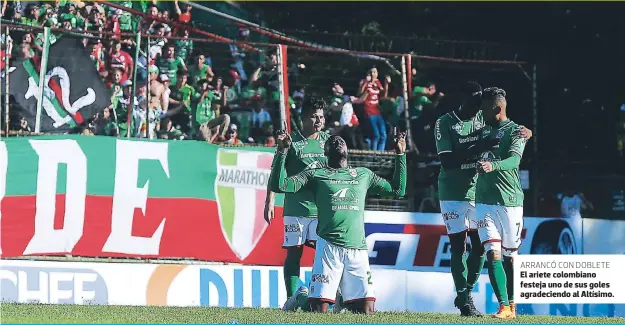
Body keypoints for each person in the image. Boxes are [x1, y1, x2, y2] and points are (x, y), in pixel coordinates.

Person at [269, 131, 406, 315]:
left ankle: (344, 301)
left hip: (357, 249)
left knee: (367, 312)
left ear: (347, 149)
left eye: (340, 140)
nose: (336, 140)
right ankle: (299, 296)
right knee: (318, 311)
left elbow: (398, 190)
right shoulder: (315, 175)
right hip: (328, 249)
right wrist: (282, 151)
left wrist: (400, 155)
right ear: (326, 154)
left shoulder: (363, 174)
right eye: (332, 142)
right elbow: (279, 186)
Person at [435, 82, 533, 317]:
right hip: (454, 192)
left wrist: (527, 133)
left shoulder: (483, 118)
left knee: (481, 247)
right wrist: (479, 146)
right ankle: (465, 298)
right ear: (463, 100)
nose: (478, 108)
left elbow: (506, 127)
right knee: (459, 246)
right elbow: (447, 162)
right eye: (474, 103)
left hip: (478, 192)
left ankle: (468, 292)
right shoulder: (445, 122)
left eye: (481, 104)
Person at [263, 97, 330, 306]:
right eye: (314, 116)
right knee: (294, 254)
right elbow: (276, 173)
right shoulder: (290, 142)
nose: (318, 121)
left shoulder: (328, 141)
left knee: (325, 255)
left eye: (321, 117)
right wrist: (269, 202)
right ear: (303, 118)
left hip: (321, 210)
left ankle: (323, 297)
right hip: (296, 209)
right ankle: (292, 299)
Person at [475, 87, 528, 319]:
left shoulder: (517, 131)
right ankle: (504, 307)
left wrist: (492, 165)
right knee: (492, 253)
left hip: (510, 202)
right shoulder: (482, 127)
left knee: (509, 256)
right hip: (484, 201)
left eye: (485, 108)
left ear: (497, 109)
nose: (481, 111)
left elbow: (514, 160)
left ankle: (512, 306)